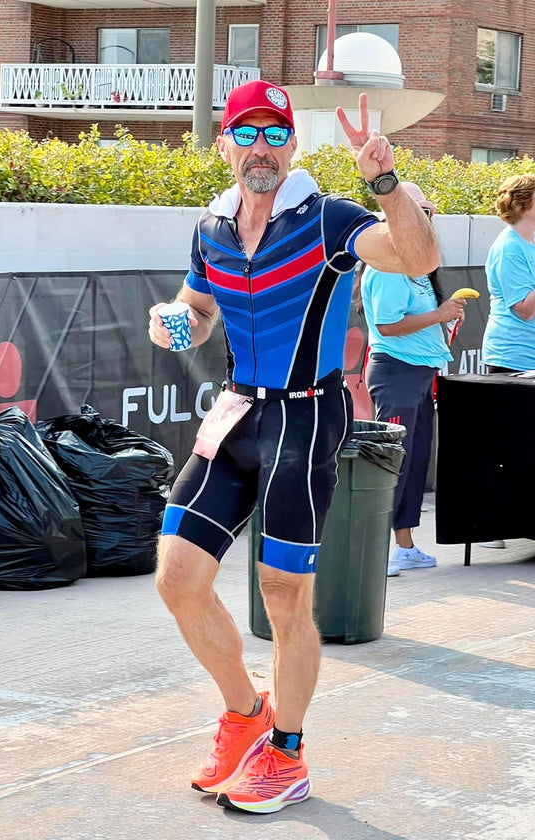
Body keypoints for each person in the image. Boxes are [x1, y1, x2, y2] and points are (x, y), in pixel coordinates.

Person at [148, 79, 439, 814]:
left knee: (284, 595)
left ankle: (287, 754)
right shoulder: (211, 226)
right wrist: (174, 321)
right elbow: (200, 308)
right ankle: (246, 715)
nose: (262, 148)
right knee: (177, 578)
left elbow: (415, 257)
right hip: (237, 412)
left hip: (307, 419)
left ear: (292, 146)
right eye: (247, 133)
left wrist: (386, 184)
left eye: (275, 133)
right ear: (224, 144)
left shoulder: (329, 218)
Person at [357, 182, 466, 576]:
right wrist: (440, 314)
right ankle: (376, 552)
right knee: (394, 465)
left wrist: (443, 318)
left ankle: (403, 547)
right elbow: (387, 326)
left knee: (413, 461)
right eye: (420, 213)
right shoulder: (389, 266)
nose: (426, 220)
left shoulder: (413, 264)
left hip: (415, 373)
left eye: (427, 213)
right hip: (397, 372)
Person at [479, 174, 535, 550]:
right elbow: (524, 308)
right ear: (526, 203)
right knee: (508, 445)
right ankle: (491, 527)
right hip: (512, 357)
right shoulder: (508, 247)